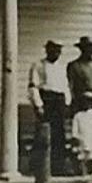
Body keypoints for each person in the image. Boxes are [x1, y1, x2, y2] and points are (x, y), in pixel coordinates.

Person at [28, 40, 69, 175]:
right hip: (46, 100)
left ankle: (58, 167)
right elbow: (33, 87)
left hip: (59, 100)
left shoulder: (61, 67)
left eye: (58, 50)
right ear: (47, 50)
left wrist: (67, 103)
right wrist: (38, 105)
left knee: (59, 135)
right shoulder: (38, 65)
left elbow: (65, 87)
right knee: (43, 134)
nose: (56, 53)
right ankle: (39, 167)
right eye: (53, 50)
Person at [71, 92, 92, 176]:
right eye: (84, 101)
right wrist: (77, 139)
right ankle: (83, 171)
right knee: (82, 153)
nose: (87, 104)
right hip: (82, 139)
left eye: (89, 101)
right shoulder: (78, 116)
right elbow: (75, 131)